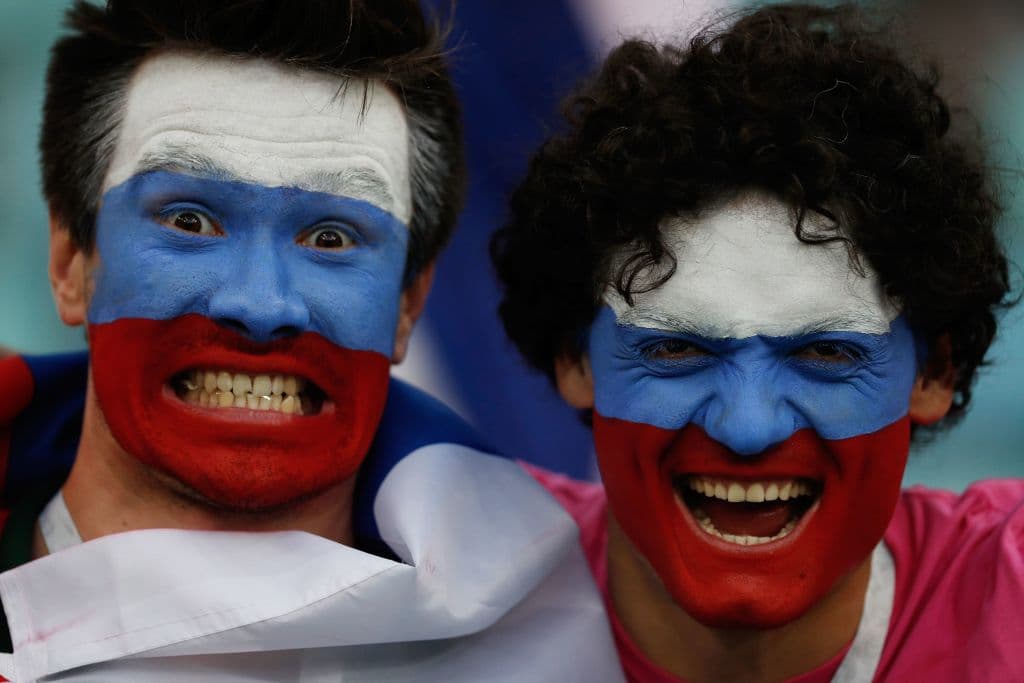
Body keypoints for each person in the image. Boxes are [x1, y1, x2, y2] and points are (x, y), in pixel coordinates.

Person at [0, 2, 623, 681]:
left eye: (331, 237)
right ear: (69, 261)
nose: (261, 304)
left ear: (408, 303)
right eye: (190, 220)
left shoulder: (578, 632)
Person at [492, 4, 1022, 681]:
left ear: (934, 371)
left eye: (826, 353)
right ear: (575, 356)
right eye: (676, 350)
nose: (747, 426)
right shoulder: (432, 573)